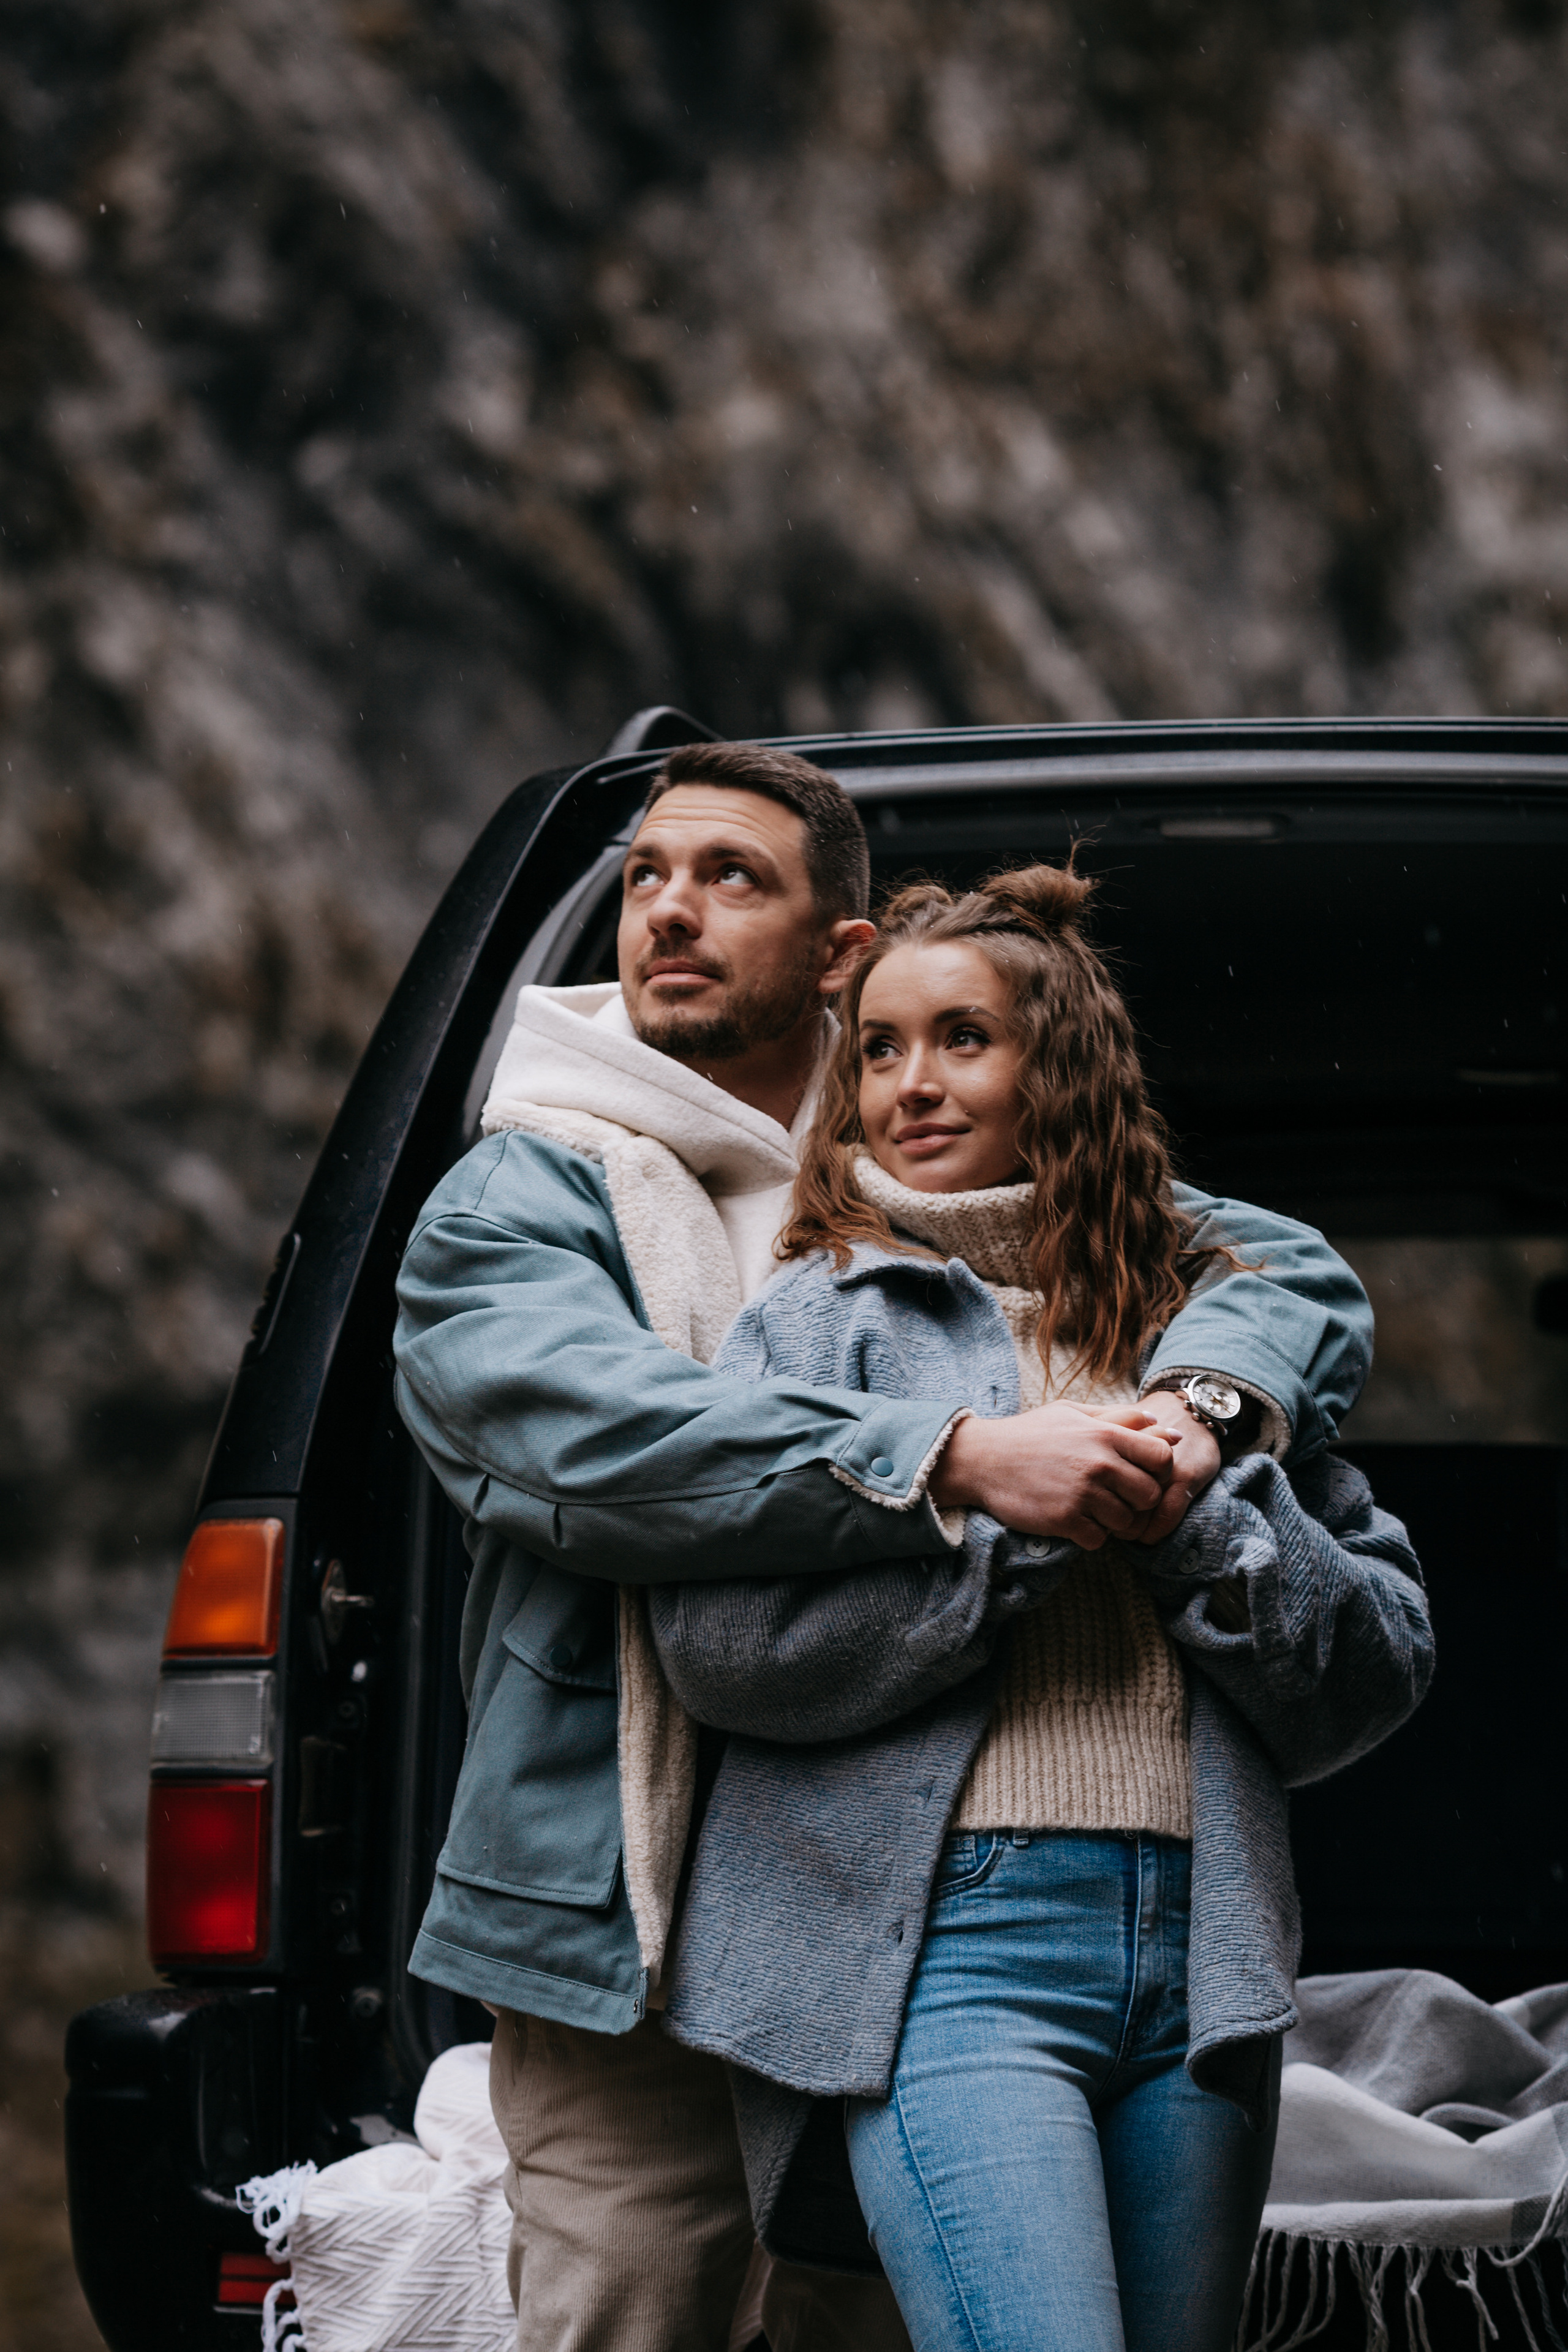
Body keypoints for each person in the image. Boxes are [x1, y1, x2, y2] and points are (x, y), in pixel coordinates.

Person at [391, 744, 1378, 2352]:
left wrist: (1196, 1413)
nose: (670, 910)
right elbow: (591, 1441)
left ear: (839, 952)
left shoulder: (925, 1164)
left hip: (901, 1888)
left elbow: (1290, 1275)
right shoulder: (532, 1185)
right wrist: (966, 1458)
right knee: (638, 2311)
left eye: (733, 876)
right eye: (647, 874)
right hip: (623, 1900)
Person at [649, 862, 1436, 2352]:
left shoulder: (1210, 1343)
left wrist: (1192, 1509)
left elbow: (1374, 1665)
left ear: (1056, 1069)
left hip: (1203, 1961)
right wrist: (1009, 1525)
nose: (907, 1085)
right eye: (875, 1048)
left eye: (961, 1038)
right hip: (946, 1953)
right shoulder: (809, 1329)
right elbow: (724, 1655)